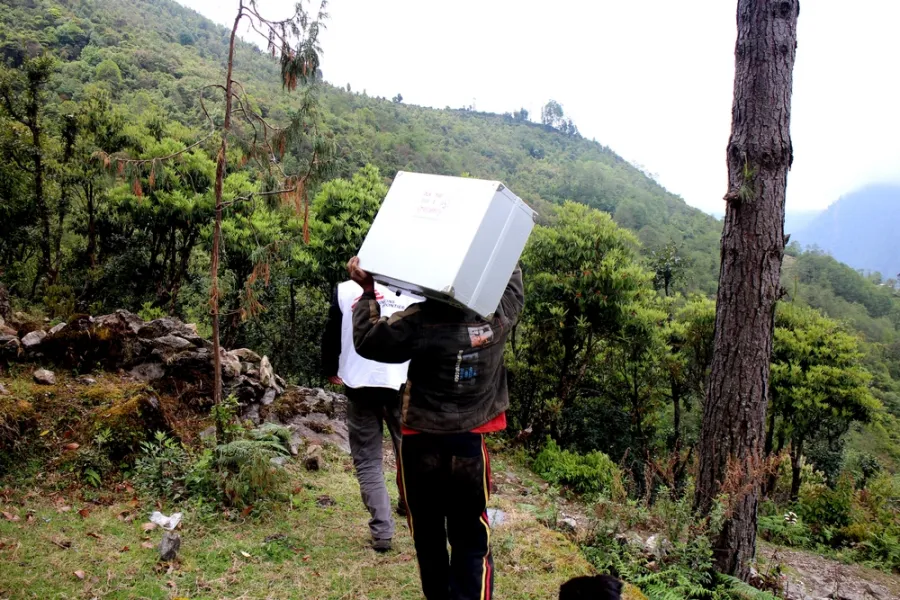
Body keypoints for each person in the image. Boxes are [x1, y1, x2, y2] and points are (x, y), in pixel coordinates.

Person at [346, 256, 524, 600]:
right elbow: (511, 273)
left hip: (420, 444)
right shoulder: (500, 317)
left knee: (427, 536)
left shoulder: (420, 322)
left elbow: (368, 339)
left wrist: (368, 291)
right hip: (469, 444)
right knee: (472, 537)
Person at [321, 278, 420, 553]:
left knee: (368, 460)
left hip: (360, 384)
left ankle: (383, 531)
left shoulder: (345, 289)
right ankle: (410, 506)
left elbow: (331, 333)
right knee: (409, 452)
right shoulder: (412, 290)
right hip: (401, 383)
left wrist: (331, 367)